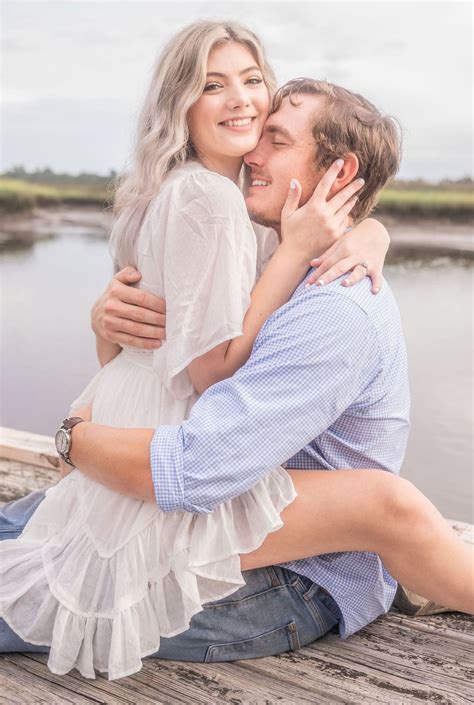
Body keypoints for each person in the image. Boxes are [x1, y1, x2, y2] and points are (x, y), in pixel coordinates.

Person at [1, 69, 473, 677]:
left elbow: (194, 470)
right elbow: (171, 381)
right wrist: (107, 325)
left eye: (277, 139)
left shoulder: (336, 310)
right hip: (197, 524)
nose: (253, 151)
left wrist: (74, 438)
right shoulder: (272, 258)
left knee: (28, 590)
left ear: (340, 173)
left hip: (285, 577)